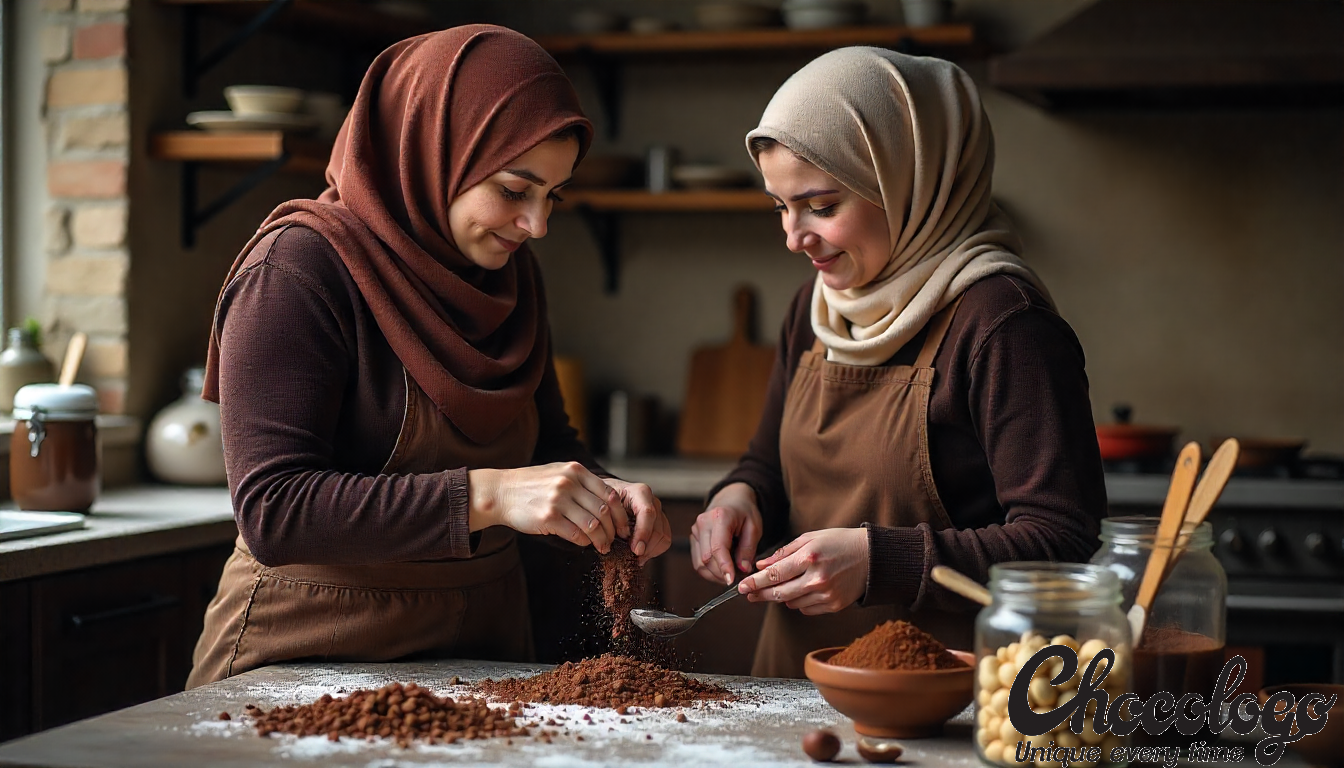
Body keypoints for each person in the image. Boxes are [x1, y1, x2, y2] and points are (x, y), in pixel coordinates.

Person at [188, 26, 671, 688]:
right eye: (513, 188)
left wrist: (604, 495)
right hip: (305, 657)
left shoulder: (511, 282)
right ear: (430, 150)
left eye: (552, 195)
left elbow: (547, 447)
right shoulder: (298, 269)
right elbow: (276, 508)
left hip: (482, 654)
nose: (538, 225)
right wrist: (492, 493)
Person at [690, 48, 1107, 678]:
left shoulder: (1004, 325)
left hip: (954, 695)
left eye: (821, 206)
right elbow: (768, 463)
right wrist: (738, 499)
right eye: (780, 205)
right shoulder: (817, 305)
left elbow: (1063, 542)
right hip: (792, 686)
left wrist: (880, 563)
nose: (792, 237)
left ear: (910, 181)